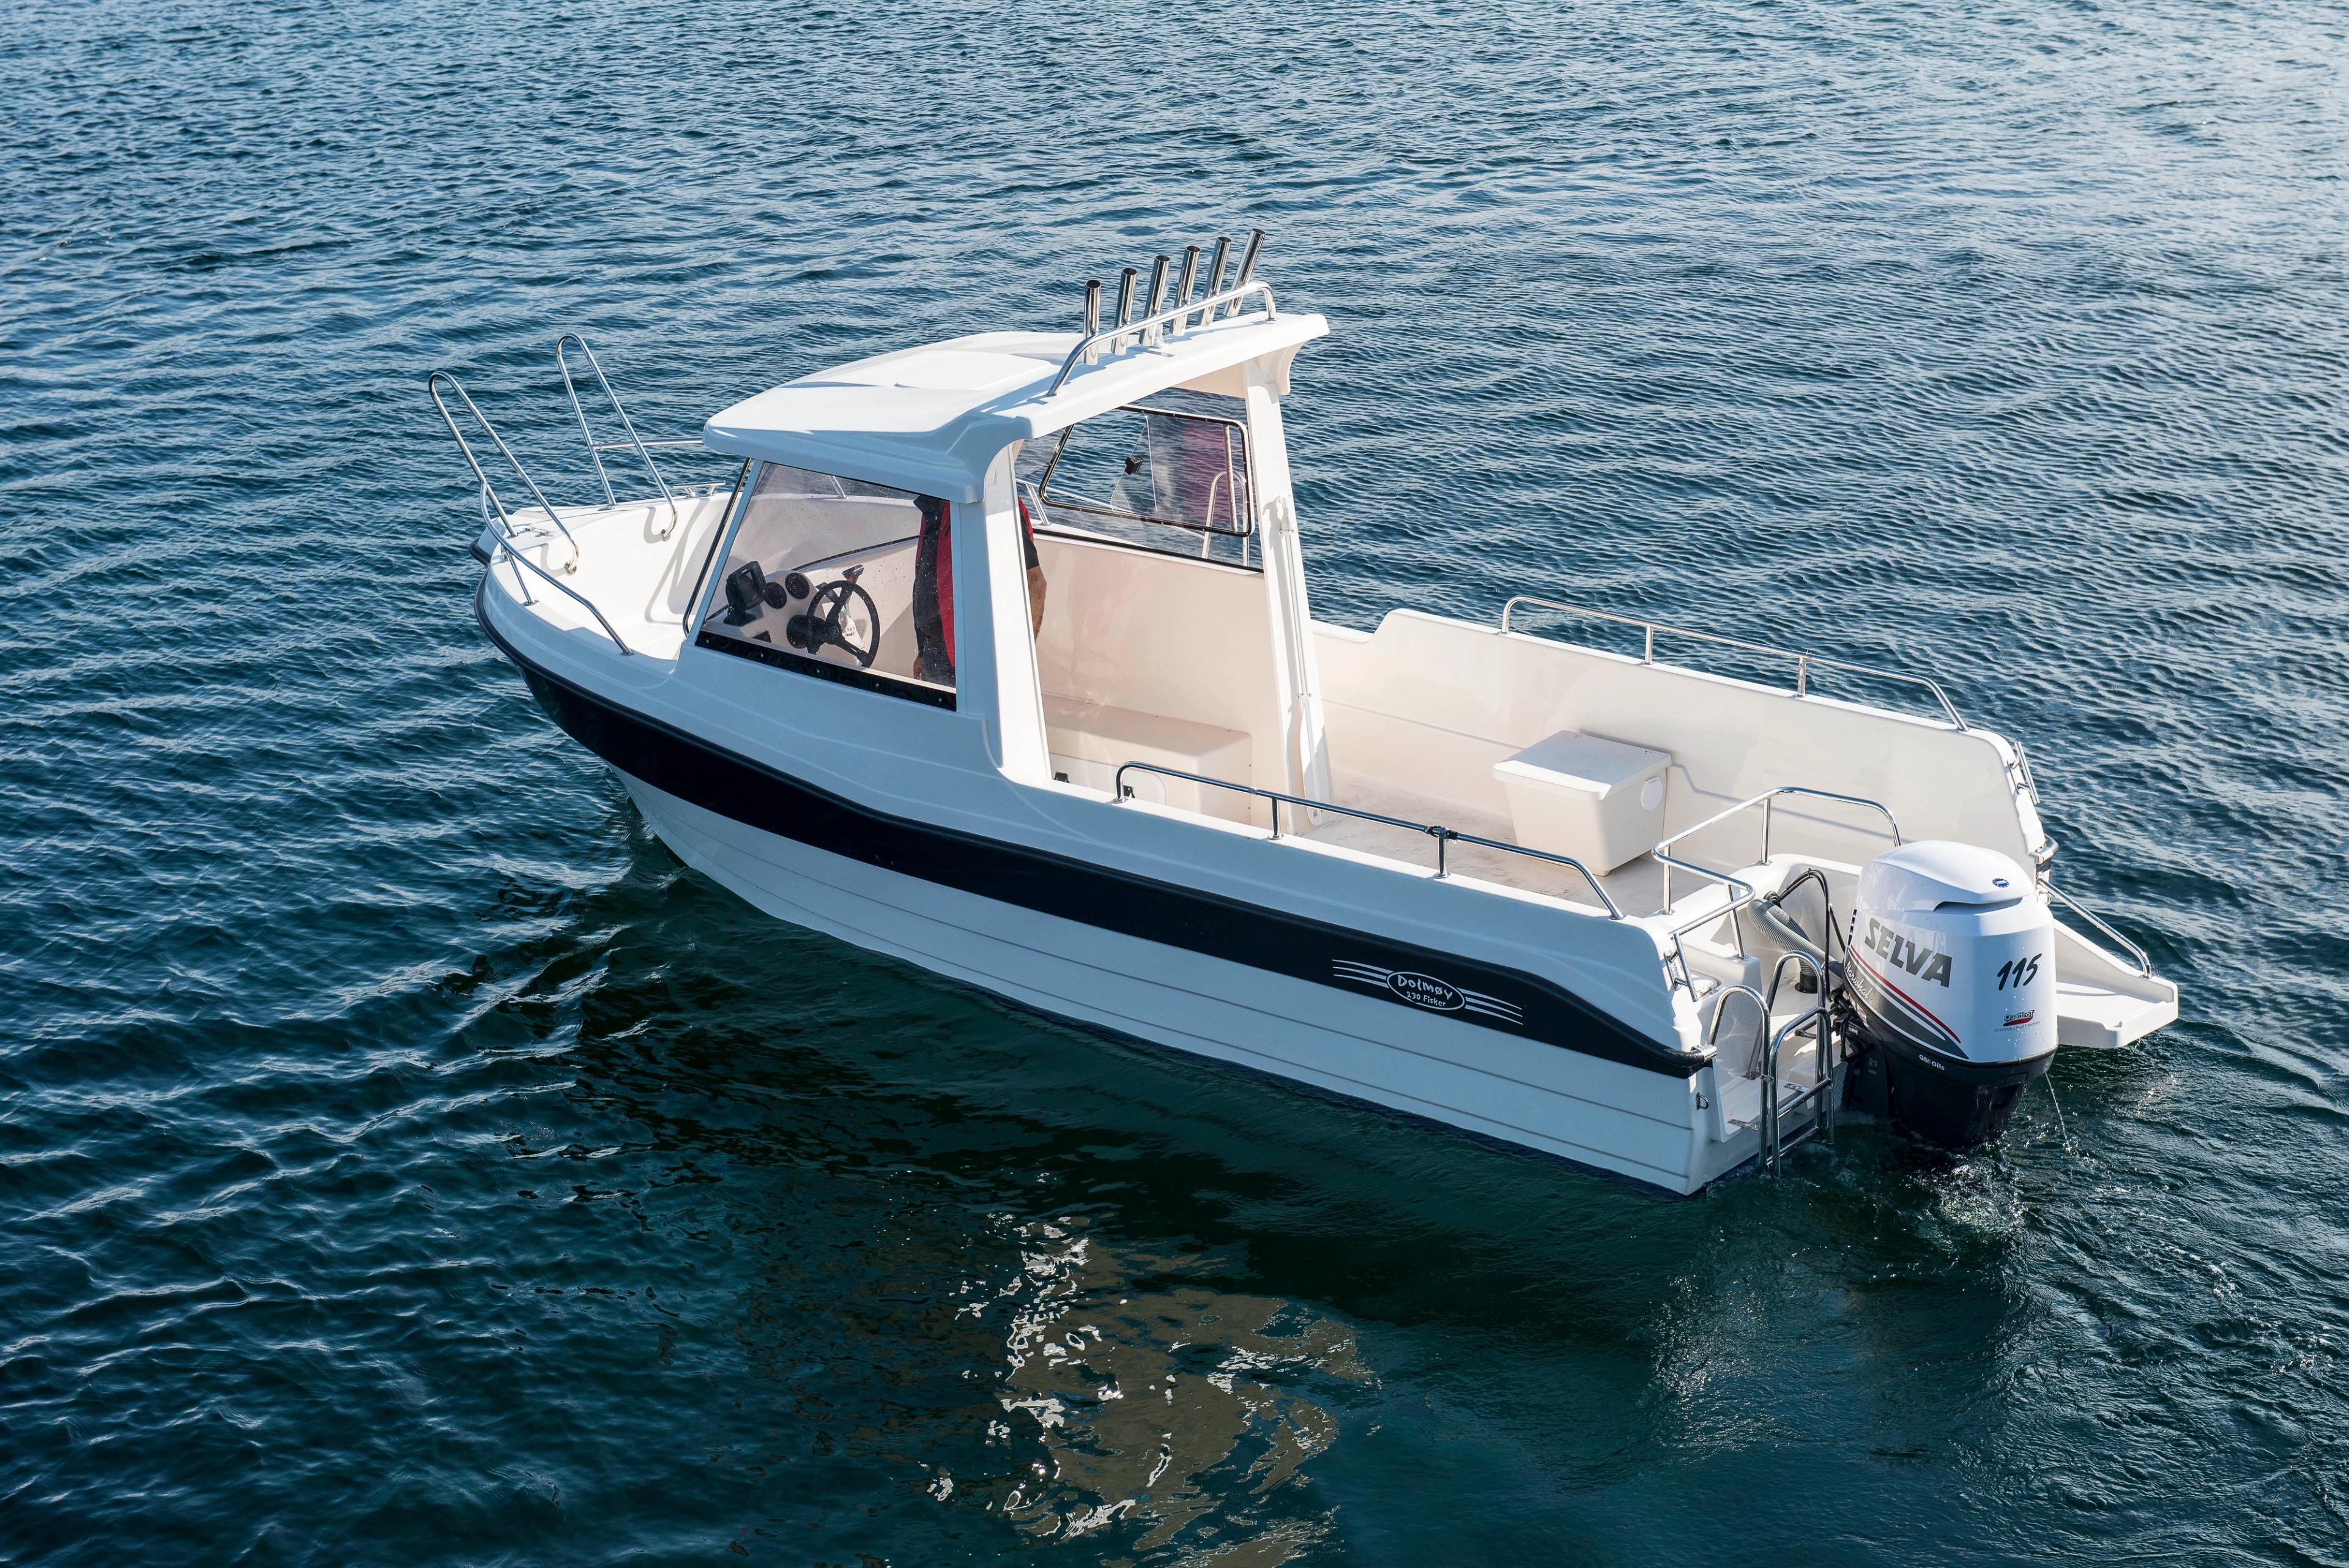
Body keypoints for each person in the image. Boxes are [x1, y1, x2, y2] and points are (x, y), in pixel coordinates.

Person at [910, 495, 1047, 686]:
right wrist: (923, 652)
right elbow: (925, 580)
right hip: (936, 652)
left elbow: (1035, 583)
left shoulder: (995, 506)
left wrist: (1024, 657)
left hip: (975, 657)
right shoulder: (935, 506)